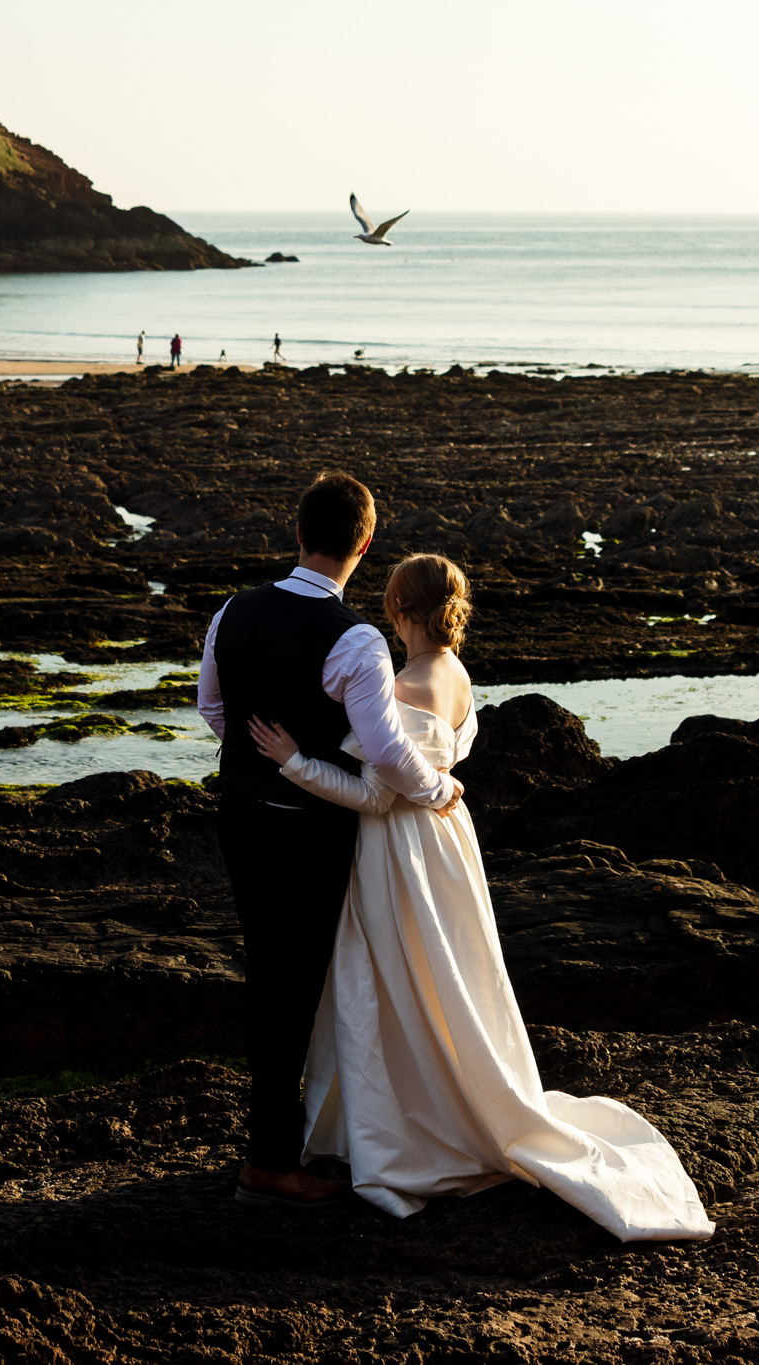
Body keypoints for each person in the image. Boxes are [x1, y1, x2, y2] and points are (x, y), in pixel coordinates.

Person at [246, 554, 714, 1242]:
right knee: (450, 976)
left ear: (399, 610)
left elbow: (377, 793)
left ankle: (403, 1122)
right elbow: (438, 763)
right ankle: (440, 1100)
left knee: (392, 976)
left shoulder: (399, 686)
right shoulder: (457, 675)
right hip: (448, 845)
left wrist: (294, 760)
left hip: (397, 848)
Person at [198, 473, 463, 1210]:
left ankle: (274, 1144)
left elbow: (212, 707)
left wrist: (257, 760)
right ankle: (272, 1158)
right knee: (293, 987)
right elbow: (386, 755)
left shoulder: (233, 610)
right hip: (307, 830)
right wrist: (439, 790)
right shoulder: (356, 641)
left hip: (240, 815)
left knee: (268, 975)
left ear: (297, 533)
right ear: (366, 544)